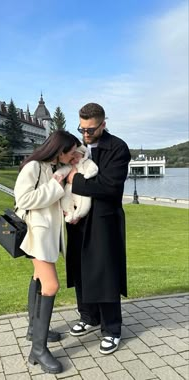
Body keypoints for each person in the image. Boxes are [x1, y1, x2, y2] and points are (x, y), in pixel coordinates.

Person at [65, 102, 131, 355]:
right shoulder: (77, 145)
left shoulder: (117, 148)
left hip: (104, 219)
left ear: (103, 124)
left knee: (105, 272)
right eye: (82, 129)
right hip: (77, 218)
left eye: (91, 129)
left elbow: (109, 188)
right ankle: (88, 316)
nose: (85, 134)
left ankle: (112, 329)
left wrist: (74, 179)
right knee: (80, 269)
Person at [14, 130, 78, 374]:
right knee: (51, 286)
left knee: (39, 280)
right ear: (58, 150)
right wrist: (56, 185)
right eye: (70, 152)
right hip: (36, 235)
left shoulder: (53, 166)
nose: (73, 156)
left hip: (48, 234)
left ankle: (34, 329)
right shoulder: (34, 167)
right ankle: (38, 350)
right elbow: (23, 200)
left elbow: (51, 200)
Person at [54, 144, 98, 222]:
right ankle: (69, 213)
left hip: (82, 190)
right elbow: (63, 170)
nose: (74, 160)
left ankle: (78, 214)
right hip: (69, 189)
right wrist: (58, 174)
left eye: (77, 157)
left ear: (83, 156)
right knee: (66, 200)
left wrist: (88, 174)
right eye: (72, 158)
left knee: (84, 203)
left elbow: (93, 168)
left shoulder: (87, 162)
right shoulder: (69, 166)